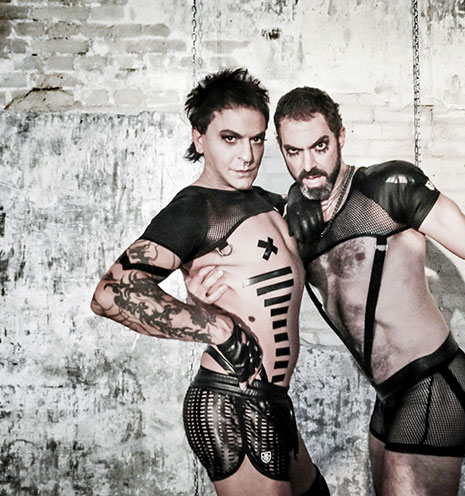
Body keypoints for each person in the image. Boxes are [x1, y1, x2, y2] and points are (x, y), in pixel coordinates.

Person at [273, 87, 465, 495]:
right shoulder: (297, 218)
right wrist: (294, 198)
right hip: (388, 397)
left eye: (320, 146)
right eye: (294, 152)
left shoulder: (389, 188)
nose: (309, 165)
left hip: (433, 384)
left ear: (341, 136)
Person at [90, 69, 329, 496]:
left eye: (257, 139)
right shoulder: (194, 209)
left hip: (272, 399)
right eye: (230, 139)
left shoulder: (265, 201)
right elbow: (111, 294)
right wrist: (215, 326)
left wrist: (300, 197)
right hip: (230, 399)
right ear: (199, 138)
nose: (247, 155)